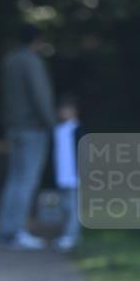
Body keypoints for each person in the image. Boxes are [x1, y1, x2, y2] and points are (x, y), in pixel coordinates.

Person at [0, 23, 55, 250]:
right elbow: (40, 96)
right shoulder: (32, 62)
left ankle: (7, 230)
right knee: (27, 181)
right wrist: (52, 124)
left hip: (14, 126)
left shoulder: (9, 60)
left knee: (14, 180)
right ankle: (17, 232)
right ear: (37, 40)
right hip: (33, 128)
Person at [53, 95, 84, 252]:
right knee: (64, 206)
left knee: (73, 207)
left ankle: (72, 235)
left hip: (74, 176)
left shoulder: (78, 130)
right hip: (62, 175)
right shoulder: (58, 130)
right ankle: (66, 234)